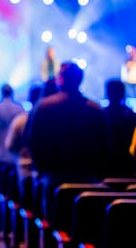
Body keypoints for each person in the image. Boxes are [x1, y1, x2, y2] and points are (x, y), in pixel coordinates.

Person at [25, 61, 110, 220]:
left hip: (53, 177)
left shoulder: (44, 107)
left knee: (54, 225)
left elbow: (32, 141)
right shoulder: (95, 109)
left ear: (60, 79)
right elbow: (104, 146)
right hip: (87, 178)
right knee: (84, 227)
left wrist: (42, 169)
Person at [103, 78, 136, 177]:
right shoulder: (131, 115)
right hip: (128, 165)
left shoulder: (101, 115)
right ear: (123, 93)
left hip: (105, 165)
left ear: (107, 93)